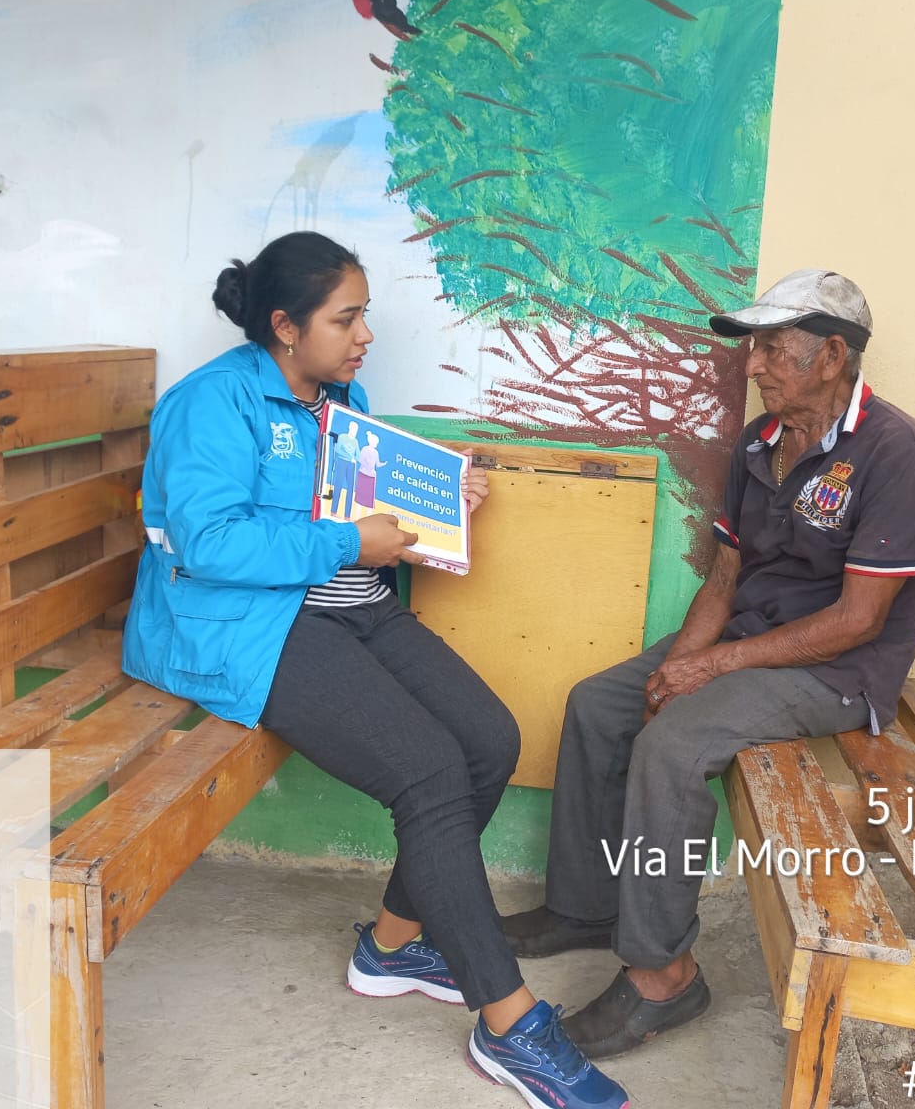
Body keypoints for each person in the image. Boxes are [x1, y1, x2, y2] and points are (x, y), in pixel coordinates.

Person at [123, 231, 629, 1109]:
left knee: (489, 740)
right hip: (249, 626)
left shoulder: (339, 398)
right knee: (428, 773)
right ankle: (509, 1022)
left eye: (365, 317)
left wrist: (438, 510)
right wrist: (349, 542)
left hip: (351, 604)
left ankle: (391, 947)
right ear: (285, 326)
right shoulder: (211, 404)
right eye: (345, 319)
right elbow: (209, 544)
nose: (365, 336)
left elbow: (358, 513)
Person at [502, 268, 915, 1058]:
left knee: (673, 747)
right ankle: (585, 907)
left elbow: (858, 620)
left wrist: (708, 672)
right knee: (600, 705)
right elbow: (726, 576)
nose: (754, 365)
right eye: (755, 348)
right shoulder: (761, 443)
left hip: (835, 670)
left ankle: (664, 976)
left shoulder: (897, 451)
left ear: (832, 356)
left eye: (774, 348)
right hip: (749, 636)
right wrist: (676, 667)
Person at [331, 421, 360, 516]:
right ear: (350, 428)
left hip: (351, 465)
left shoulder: (355, 441)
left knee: (350, 489)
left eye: (356, 430)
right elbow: (337, 450)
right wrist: (349, 457)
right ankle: (333, 511)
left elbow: (358, 455)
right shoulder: (342, 437)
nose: (355, 431)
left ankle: (347, 515)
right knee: (338, 486)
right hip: (342, 462)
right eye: (354, 429)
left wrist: (354, 458)